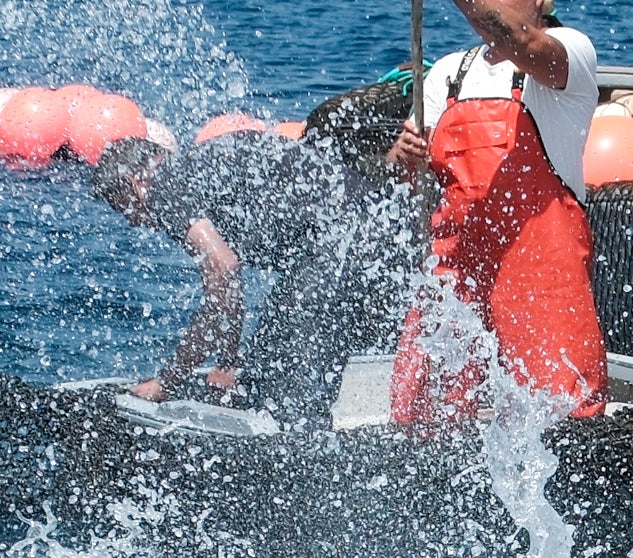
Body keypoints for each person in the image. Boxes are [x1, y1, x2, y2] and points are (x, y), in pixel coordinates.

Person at [387, 0, 607, 423]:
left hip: (540, 264)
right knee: (424, 410)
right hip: (460, 257)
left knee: (561, 408)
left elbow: (520, 42)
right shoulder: (447, 72)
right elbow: (407, 175)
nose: (488, 3)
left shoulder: (570, 52)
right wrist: (403, 156)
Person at [92, 126, 412, 426]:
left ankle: (309, 458)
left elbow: (225, 272)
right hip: (373, 232)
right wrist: (228, 361)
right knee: (264, 366)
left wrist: (167, 382)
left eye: (120, 206)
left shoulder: (164, 187)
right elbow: (226, 283)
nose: (132, 221)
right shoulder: (192, 173)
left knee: (294, 397)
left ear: (132, 182)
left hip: (353, 241)